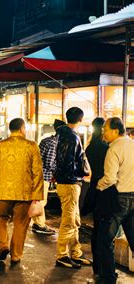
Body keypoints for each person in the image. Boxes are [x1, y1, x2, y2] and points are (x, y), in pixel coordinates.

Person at [0, 118, 44, 265]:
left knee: (0, 218)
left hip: (2, 191)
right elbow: (37, 172)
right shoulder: (31, 146)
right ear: (22, 128)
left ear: (10, 130)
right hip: (24, 193)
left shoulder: (0, 145)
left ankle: (3, 245)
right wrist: (37, 196)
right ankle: (16, 256)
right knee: (20, 224)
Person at [96, 117, 134, 282]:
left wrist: (99, 185)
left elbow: (110, 178)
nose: (103, 132)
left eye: (106, 129)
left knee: (104, 239)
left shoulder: (114, 149)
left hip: (118, 200)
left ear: (116, 131)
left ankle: (109, 277)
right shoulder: (133, 144)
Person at [54, 107, 92, 268]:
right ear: (80, 120)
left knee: (74, 219)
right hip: (70, 183)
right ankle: (62, 254)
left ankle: (76, 252)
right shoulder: (72, 137)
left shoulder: (61, 134)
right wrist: (81, 171)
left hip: (65, 182)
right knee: (69, 220)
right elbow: (68, 161)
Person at [81, 117, 109, 277]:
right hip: (105, 189)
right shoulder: (106, 148)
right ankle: (103, 268)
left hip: (94, 189)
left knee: (97, 228)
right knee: (104, 231)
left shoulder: (90, 147)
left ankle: (98, 267)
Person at [33, 119, 66, 235]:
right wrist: (59, 170)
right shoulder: (54, 143)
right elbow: (49, 163)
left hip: (38, 174)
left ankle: (38, 223)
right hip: (44, 175)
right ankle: (39, 224)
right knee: (41, 201)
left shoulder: (46, 140)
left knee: (39, 200)